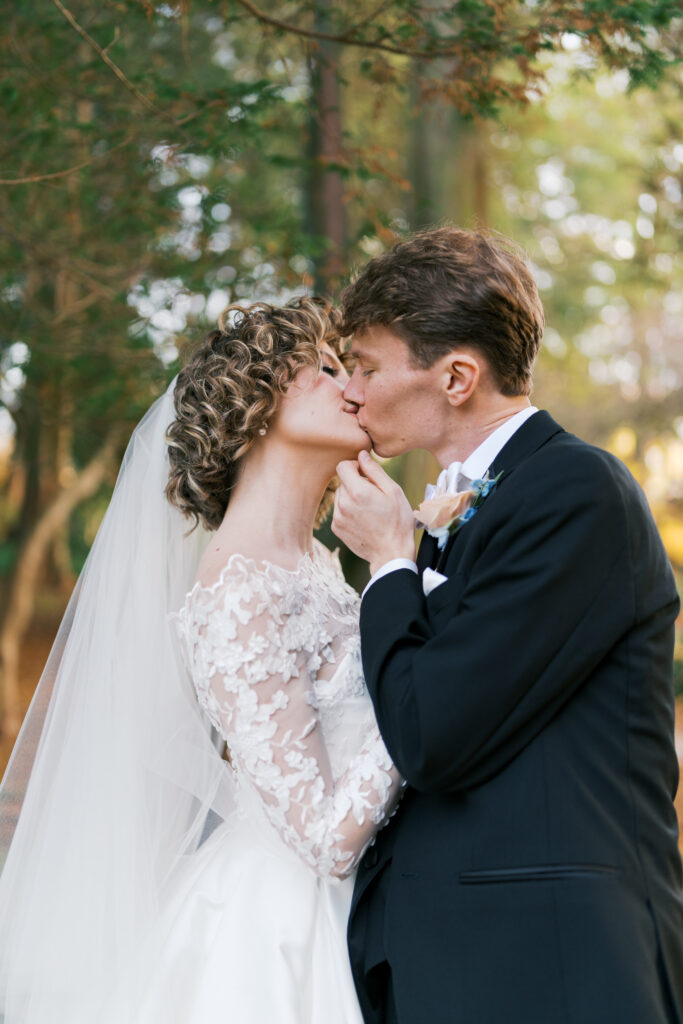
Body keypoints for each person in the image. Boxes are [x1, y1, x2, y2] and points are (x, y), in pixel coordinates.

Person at [0, 297, 402, 1024]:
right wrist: (422, 696)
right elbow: (322, 838)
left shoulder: (317, 564)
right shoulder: (237, 586)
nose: (353, 386)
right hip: (278, 939)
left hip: (363, 907)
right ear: (257, 405)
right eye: (323, 368)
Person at [331, 227, 683, 1024]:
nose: (350, 391)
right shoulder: (466, 505)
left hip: (551, 965)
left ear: (456, 377)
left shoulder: (574, 492)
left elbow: (432, 734)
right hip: (457, 959)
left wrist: (388, 564)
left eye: (366, 367)